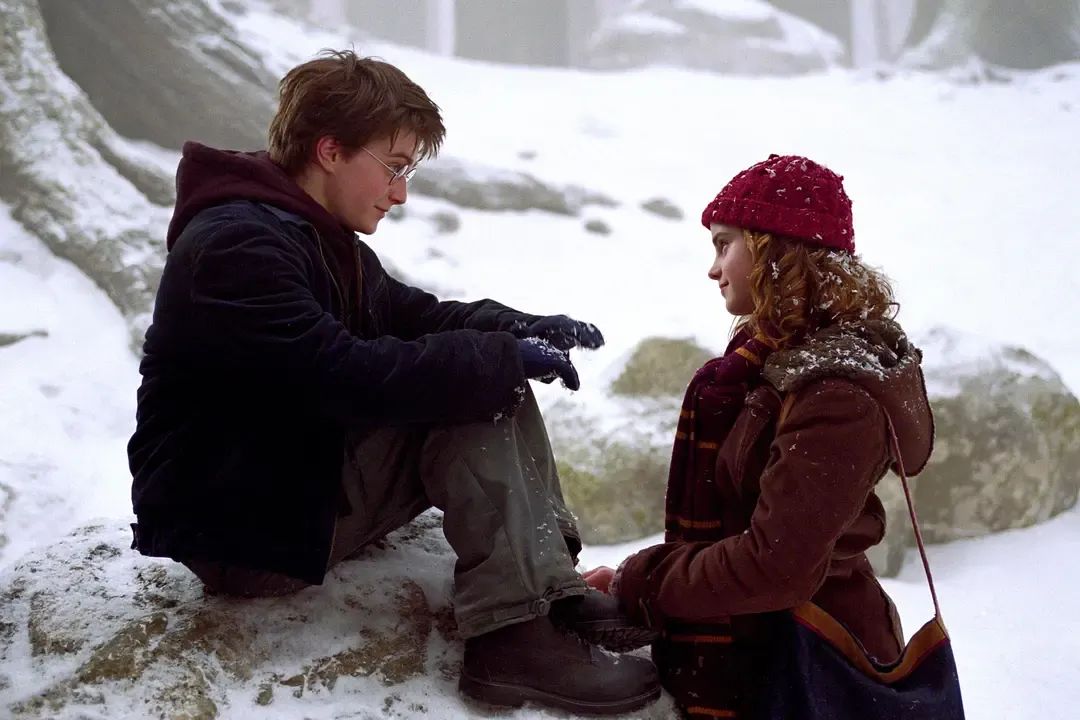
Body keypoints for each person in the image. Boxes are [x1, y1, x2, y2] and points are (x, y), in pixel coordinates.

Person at [127, 49, 659, 715]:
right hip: (242, 528)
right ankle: (512, 638)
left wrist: (520, 328)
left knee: (484, 370)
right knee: (472, 390)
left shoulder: (313, 236)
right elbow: (342, 376)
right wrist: (496, 359)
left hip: (286, 491)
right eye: (395, 166)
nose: (401, 192)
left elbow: (417, 318)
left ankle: (549, 591)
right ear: (330, 150)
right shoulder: (238, 246)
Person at [584, 154, 935, 718]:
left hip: (811, 668)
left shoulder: (837, 395)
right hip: (770, 646)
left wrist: (641, 580)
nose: (713, 268)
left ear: (775, 248)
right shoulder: (774, 362)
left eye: (724, 245)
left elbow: (776, 566)